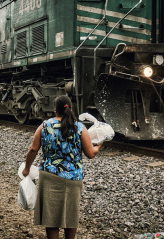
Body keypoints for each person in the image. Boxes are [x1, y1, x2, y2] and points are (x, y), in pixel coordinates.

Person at [22, 95, 102, 239]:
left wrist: (27, 168)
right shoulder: (79, 128)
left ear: (55, 110)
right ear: (70, 108)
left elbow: (33, 149)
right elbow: (90, 153)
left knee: (51, 218)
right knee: (70, 217)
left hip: (49, 177)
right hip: (73, 178)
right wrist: (99, 145)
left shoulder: (44, 126)